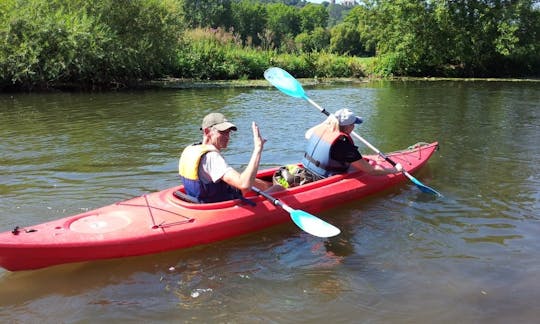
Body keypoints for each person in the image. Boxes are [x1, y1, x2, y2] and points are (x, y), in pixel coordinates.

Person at [179, 112, 279, 203]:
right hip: (218, 204)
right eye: (222, 132)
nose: (227, 137)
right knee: (280, 189)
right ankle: (282, 188)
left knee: (257, 182)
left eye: (228, 132)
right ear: (207, 131)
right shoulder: (211, 157)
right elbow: (244, 185)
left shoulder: (191, 149)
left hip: (197, 199)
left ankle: (271, 185)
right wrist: (258, 149)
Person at [302, 108, 403, 179]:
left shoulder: (321, 129)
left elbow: (307, 134)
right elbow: (371, 171)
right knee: (367, 167)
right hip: (324, 176)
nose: (354, 127)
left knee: (356, 161)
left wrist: (328, 121)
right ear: (349, 126)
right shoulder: (344, 145)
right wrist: (394, 170)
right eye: (353, 124)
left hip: (308, 169)